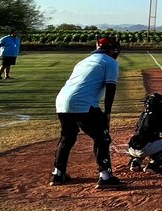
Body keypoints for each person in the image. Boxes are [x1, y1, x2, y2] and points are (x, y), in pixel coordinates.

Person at [52, 37, 123, 189]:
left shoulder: (83, 61)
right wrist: (108, 113)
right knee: (102, 137)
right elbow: (111, 89)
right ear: (111, 49)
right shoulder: (110, 62)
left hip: (62, 101)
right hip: (83, 103)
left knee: (67, 137)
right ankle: (105, 176)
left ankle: (58, 174)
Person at [127, 93, 162, 174]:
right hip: (144, 148)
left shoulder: (143, 114)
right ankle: (153, 166)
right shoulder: (157, 114)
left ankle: (135, 162)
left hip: (131, 148)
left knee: (147, 139)